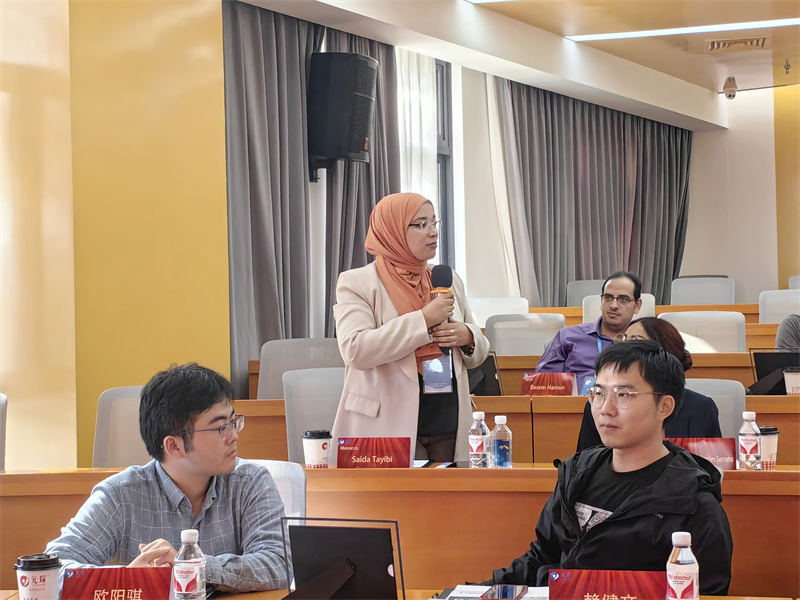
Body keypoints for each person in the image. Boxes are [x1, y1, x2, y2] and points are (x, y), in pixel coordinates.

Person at [487, 341, 733, 594]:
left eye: (623, 395)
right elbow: (541, 557)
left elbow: (706, 594)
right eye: (599, 393)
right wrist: (481, 591)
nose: (605, 409)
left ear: (664, 407)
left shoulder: (694, 504)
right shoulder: (576, 473)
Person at [46, 364, 287, 592]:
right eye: (220, 428)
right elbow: (53, 569)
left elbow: (279, 563)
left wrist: (190, 565)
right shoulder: (120, 495)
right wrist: (127, 578)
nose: (234, 436)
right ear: (174, 446)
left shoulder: (250, 482)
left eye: (233, 422)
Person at [331, 192, 489, 462]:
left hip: (448, 422)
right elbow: (355, 349)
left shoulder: (447, 279)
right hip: (387, 426)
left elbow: (480, 349)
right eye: (421, 224)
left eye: (434, 222)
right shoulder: (358, 282)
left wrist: (468, 336)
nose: (433, 232)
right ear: (392, 231)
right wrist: (423, 320)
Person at [577, 317, 721, 450]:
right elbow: (586, 460)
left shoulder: (701, 407)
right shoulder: (598, 403)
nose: (625, 346)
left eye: (635, 340)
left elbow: (710, 463)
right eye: (623, 339)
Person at [535, 271, 643, 391]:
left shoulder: (644, 343)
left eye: (623, 299)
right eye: (608, 298)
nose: (613, 305)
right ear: (601, 301)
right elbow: (542, 386)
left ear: (637, 305)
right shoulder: (568, 336)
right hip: (577, 402)